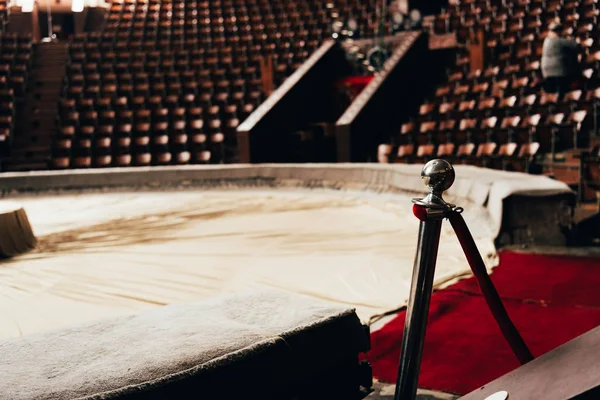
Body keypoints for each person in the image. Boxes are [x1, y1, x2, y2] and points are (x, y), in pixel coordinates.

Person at [541, 21, 581, 96]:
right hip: (560, 73)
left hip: (547, 73)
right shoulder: (558, 40)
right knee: (562, 94)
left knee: (552, 95)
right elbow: (576, 46)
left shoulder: (546, 41)